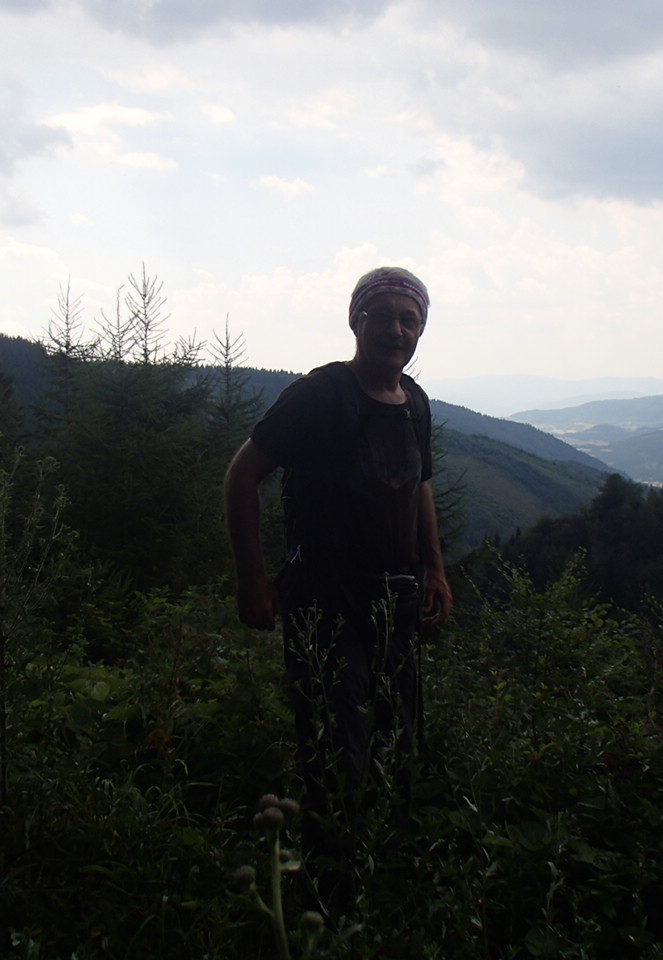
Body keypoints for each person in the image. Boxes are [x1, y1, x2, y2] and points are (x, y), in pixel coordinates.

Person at [223, 265, 453, 912]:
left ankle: (383, 887)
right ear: (357, 320)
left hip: (396, 600)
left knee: (397, 747)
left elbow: (420, 486)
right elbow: (241, 476)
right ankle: (329, 899)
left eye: (410, 320)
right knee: (334, 750)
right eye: (384, 315)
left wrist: (435, 568)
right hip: (325, 598)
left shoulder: (414, 402)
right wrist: (253, 579)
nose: (397, 330)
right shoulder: (319, 395)